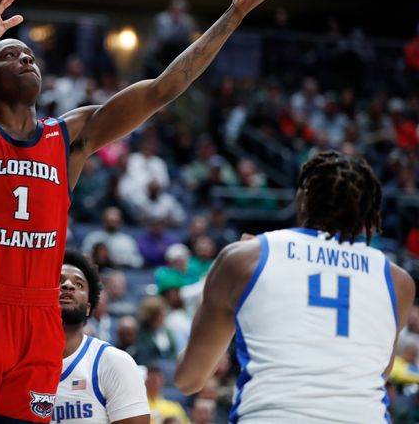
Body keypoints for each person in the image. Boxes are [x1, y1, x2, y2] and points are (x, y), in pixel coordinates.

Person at [0, 0, 287, 422]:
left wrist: (234, 15)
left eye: (30, 55)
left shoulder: (69, 136)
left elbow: (162, 90)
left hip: (40, 319)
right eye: (11, 55)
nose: (27, 59)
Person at [175, 150, 416, 423]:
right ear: (368, 214)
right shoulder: (399, 282)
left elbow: (189, 379)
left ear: (302, 200)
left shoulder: (246, 258)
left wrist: (238, 299)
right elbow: (378, 374)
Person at [53, 250, 149, 424]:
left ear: (89, 307)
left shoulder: (113, 362)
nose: (68, 285)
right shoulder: (16, 361)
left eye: (79, 284)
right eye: (58, 281)